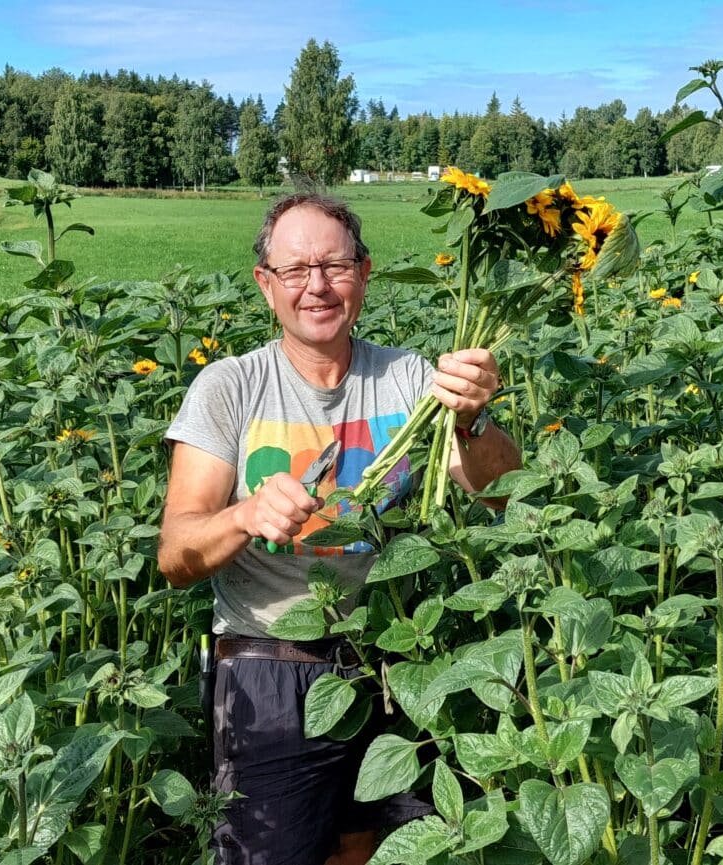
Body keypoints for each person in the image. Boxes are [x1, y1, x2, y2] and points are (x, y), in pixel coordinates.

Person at [158, 192, 522, 865]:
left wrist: (472, 419)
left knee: (384, 850)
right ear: (266, 284)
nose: (317, 286)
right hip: (271, 669)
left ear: (365, 272)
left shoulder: (411, 379)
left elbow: (501, 495)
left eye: (335, 265)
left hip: (393, 660)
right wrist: (243, 515)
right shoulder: (230, 387)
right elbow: (176, 555)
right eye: (295, 270)